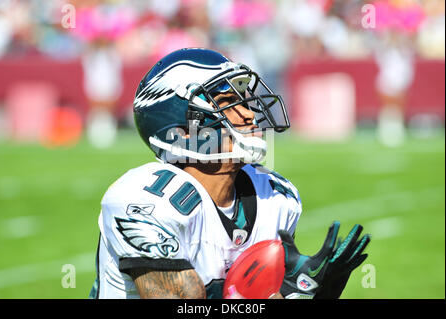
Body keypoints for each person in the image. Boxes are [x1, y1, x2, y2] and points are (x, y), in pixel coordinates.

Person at [89, 48, 370, 299]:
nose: (247, 115)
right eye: (227, 103)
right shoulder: (143, 201)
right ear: (184, 129)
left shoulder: (274, 197)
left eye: (244, 101)